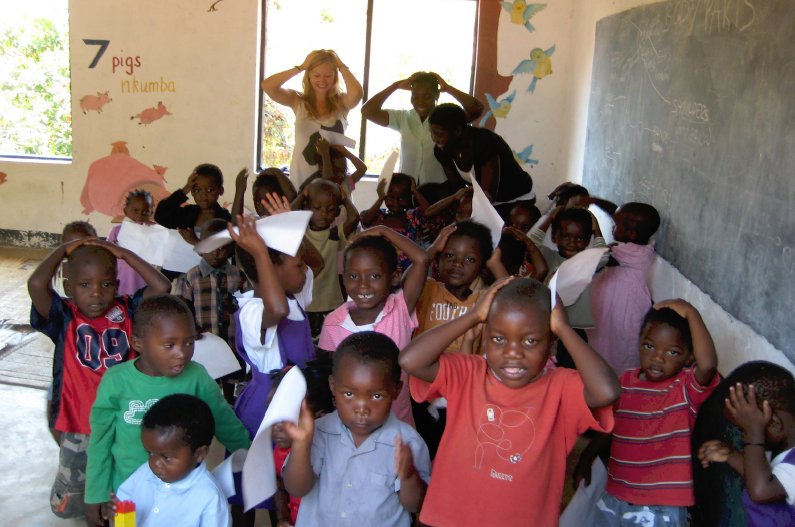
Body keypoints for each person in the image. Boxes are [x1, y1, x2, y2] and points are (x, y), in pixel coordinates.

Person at [400, 277, 619, 527]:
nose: (512, 352)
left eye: (530, 341)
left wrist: (564, 329)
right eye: (499, 339)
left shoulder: (562, 388)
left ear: (551, 345)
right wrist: (473, 315)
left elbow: (607, 391)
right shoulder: (469, 373)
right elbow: (410, 361)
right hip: (447, 518)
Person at [27, 238, 171, 520]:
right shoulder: (64, 316)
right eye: (84, 285)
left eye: (105, 284)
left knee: (120, 480)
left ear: (116, 286)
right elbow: (35, 285)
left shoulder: (128, 310)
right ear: (69, 289)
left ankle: (113, 511)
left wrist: (124, 254)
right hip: (79, 422)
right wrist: (62, 251)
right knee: (77, 492)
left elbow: (162, 287)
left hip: (122, 419)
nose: (96, 294)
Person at [83, 294, 251, 526]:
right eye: (169, 345)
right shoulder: (117, 381)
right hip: (129, 494)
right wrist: (96, 494)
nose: (182, 353)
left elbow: (224, 422)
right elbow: (100, 442)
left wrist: (253, 456)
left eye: (189, 342)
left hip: (183, 494)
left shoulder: (197, 377)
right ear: (138, 343)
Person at [574, 299, 720, 527]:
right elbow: (612, 428)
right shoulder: (625, 381)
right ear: (639, 342)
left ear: (688, 357)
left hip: (662, 504)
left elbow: (708, 365)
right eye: (649, 346)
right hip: (616, 494)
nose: (658, 358)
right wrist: (587, 457)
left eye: (672, 352)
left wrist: (691, 313)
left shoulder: (685, 388)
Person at [282, 332, 431, 527]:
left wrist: (409, 476)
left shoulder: (408, 443)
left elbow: (414, 506)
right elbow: (296, 488)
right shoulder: (318, 432)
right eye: (349, 394)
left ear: (396, 390)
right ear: (333, 386)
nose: (362, 408)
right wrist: (301, 445)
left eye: (376, 396)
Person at [228, 213, 317, 525]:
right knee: (249, 490)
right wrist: (261, 252)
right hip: (264, 412)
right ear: (270, 270)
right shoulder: (253, 310)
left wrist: (292, 226)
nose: (306, 269)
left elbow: (315, 262)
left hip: (297, 404)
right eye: (297, 264)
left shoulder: (294, 297)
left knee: (290, 484)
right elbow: (274, 309)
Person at [412, 221, 508, 457]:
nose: (457, 264)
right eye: (449, 255)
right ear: (439, 259)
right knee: (425, 449)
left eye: (469, 259)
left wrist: (496, 264)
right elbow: (409, 281)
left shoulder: (484, 298)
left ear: (482, 264)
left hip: (464, 391)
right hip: (423, 389)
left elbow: (513, 298)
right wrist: (431, 249)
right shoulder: (428, 289)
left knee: (456, 449)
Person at [318, 227, 430, 426]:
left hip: (399, 425)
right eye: (353, 276)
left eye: (374, 276)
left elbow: (421, 259)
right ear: (343, 278)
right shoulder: (333, 323)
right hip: (352, 427)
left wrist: (383, 231)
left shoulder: (400, 308)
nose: (362, 285)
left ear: (394, 277)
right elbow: (329, 375)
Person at [114, 394, 231, 527]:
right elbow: (124, 500)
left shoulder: (209, 497)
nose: (154, 464)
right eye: (150, 453)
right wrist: (117, 511)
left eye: (166, 457)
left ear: (199, 453)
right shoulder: (145, 472)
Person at [698, 367, 795, 526]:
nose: (744, 437)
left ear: (775, 425)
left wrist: (753, 433)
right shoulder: (782, 457)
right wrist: (730, 455)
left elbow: (760, 490)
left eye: (743, 429)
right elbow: (761, 476)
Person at [261, 49, 363, 186]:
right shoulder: (297, 100)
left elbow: (357, 93)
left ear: (335, 77)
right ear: (308, 76)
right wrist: (301, 67)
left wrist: (341, 65)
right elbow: (268, 86)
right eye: (316, 75)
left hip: (335, 182)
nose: (322, 80)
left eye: (328, 75)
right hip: (302, 179)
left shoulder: (342, 103)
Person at [362, 71, 484, 186]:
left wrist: (448, 88)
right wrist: (395, 86)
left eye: (426, 96)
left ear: (436, 95)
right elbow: (367, 111)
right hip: (407, 191)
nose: (420, 102)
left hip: (439, 189)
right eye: (415, 96)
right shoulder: (402, 118)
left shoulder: (447, 118)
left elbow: (477, 108)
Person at [587, 202, 661, 374]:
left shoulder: (625, 253)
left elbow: (600, 256)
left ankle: (615, 379)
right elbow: (616, 212)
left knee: (618, 345)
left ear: (630, 233)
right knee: (612, 344)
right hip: (619, 307)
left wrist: (596, 229)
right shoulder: (641, 249)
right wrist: (594, 200)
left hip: (623, 310)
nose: (613, 226)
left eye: (616, 225)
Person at [428, 103, 535, 217]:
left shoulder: (485, 142)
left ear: (457, 131)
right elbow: (458, 189)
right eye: (431, 133)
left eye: (439, 134)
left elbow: (488, 196)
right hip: (486, 202)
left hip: (517, 201)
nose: (434, 139)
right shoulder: (441, 151)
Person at [271, 359, 335, 527]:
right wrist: (283, 518)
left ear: (320, 417)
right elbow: (279, 483)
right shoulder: (281, 450)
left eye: (289, 417)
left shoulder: (332, 455)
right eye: (272, 415)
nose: (276, 426)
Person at [292, 178, 359, 337]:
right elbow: (290, 215)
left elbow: (355, 218)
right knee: (306, 342)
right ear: (307, 207)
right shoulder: (301, 231)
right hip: (305, 301)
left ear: (337, 212)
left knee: (329, 342)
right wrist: (303, 195)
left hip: (331, 300)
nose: (324, 214)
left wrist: (344, 199)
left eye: (330, 209)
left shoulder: (336, 232)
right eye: (317, 208)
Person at [360, 174, 430, 273]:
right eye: (390, 198)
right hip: (383, 270)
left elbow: (430, 213)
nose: (395, 203)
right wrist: (380, 198)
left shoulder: (414, 217)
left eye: (401, 198)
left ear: (409, 198)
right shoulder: (379, 217)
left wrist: (415, 191)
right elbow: (365, 220)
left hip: (410, 272)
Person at [154, 163, 231, 245]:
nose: (203, 195)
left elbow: (223, 252)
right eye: (197, 190)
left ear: (220, 190)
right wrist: (185, 189)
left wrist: (195, 242)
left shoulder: (225, 219)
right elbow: (160, 215)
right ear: (192, 192)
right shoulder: (187, 213)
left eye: (209, 190)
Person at [107, 189, 155, 296]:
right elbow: (107, 258)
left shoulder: (154, 233)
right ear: (125, 211)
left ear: (151, 212)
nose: (139, 215)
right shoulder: (117, 231)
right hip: (122, 286)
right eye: (135, 210)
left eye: (145, 211)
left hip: (146, 287)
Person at [231, 167, 297, 219]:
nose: (261, 207)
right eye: (257, 202)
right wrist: (239, 192)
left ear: (283, 199)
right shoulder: (255, 222)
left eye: (268, 200)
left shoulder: (290, 221)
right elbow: (235, 225)